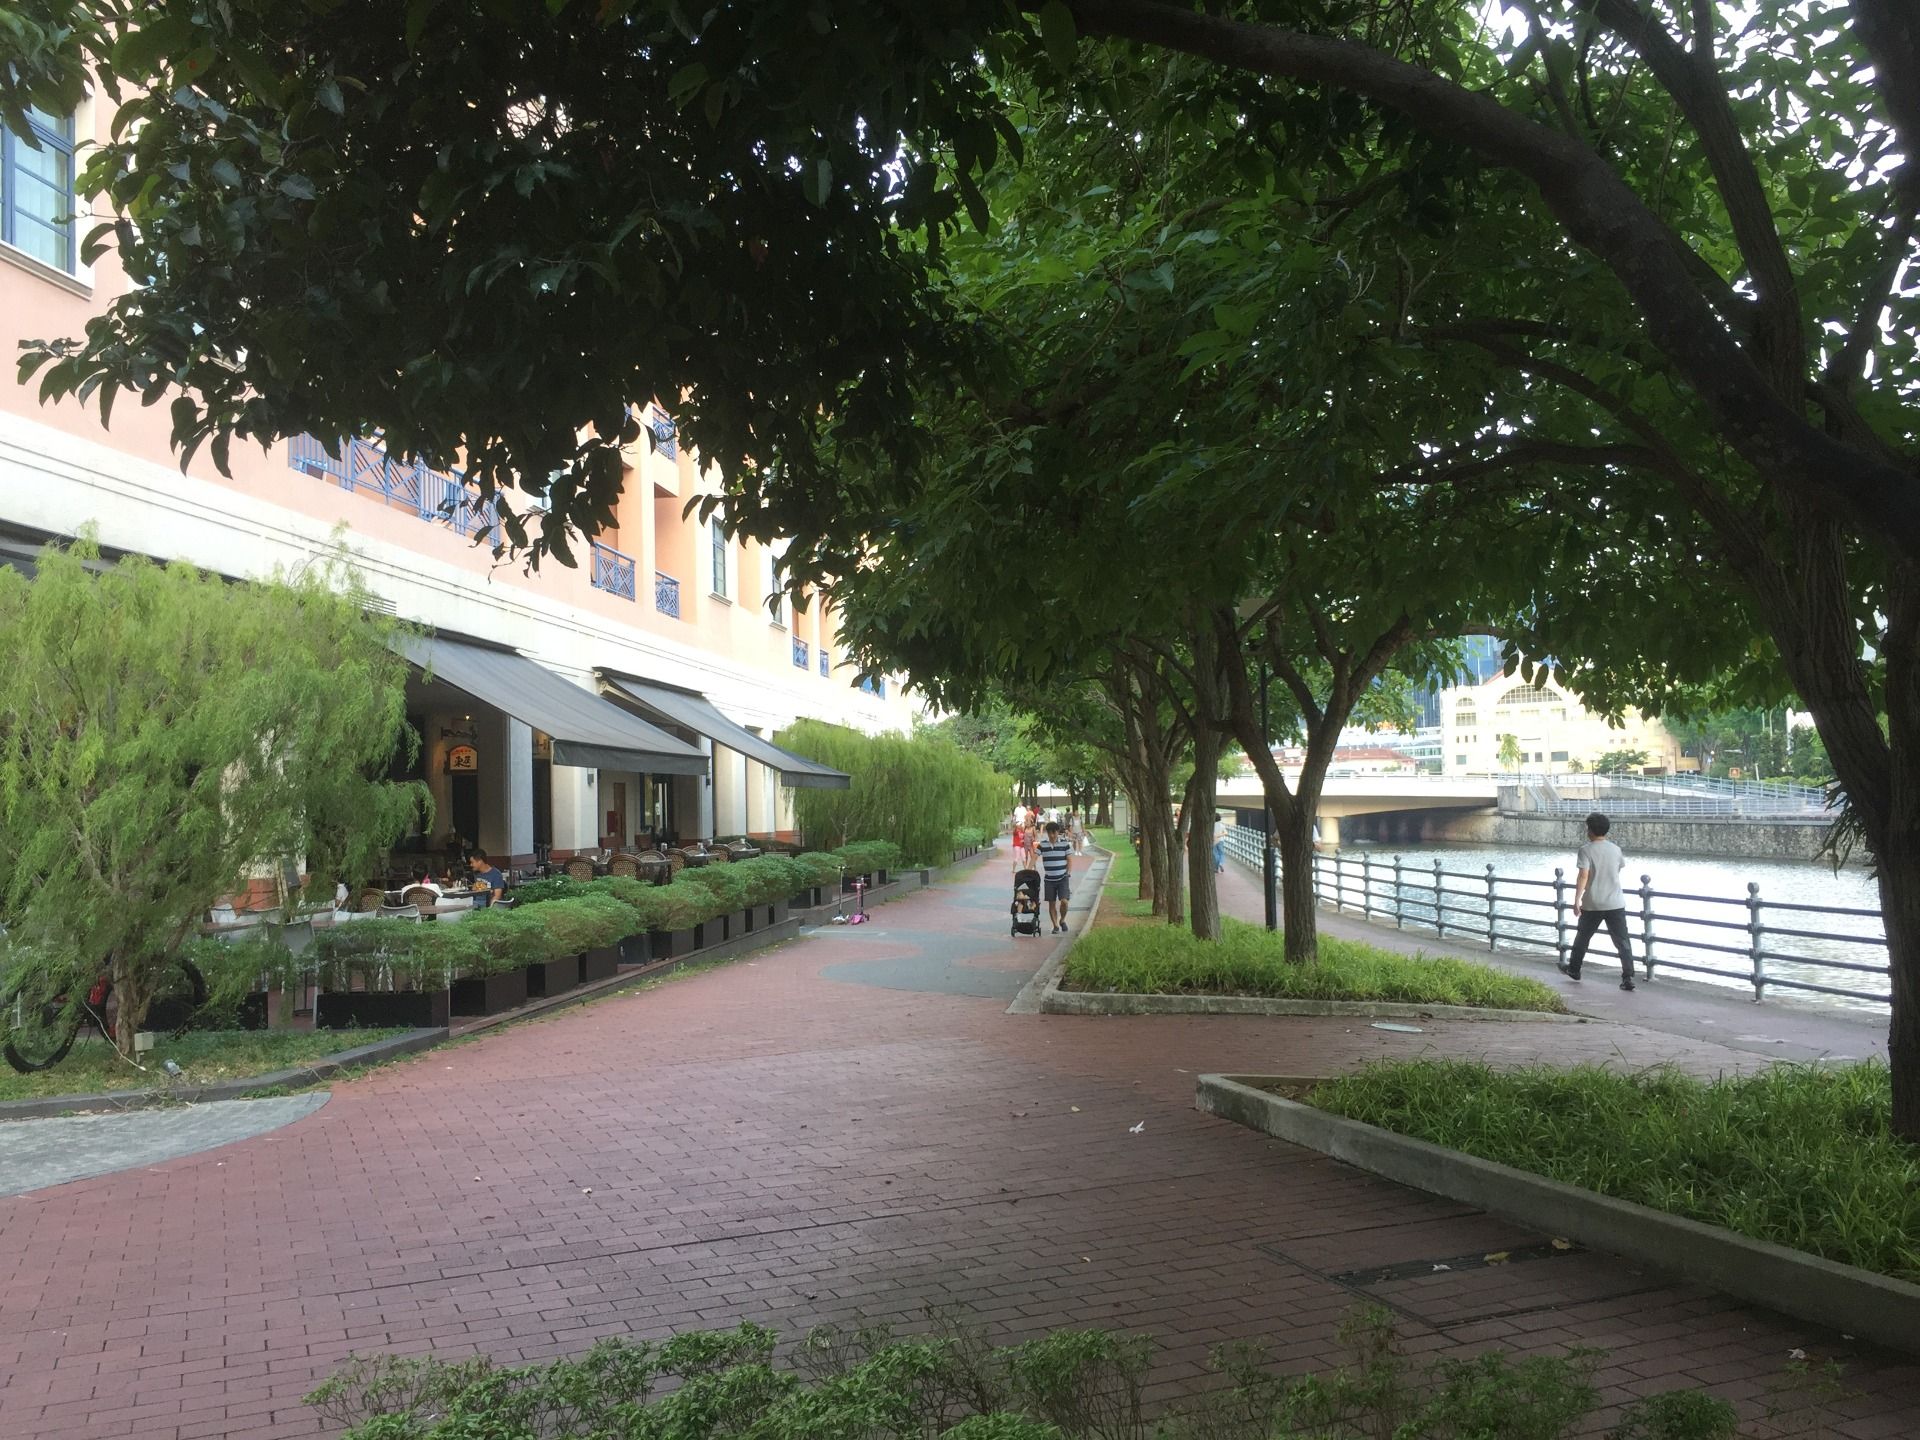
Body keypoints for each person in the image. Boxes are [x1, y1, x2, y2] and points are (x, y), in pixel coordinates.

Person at [1559, 811, 1638, 990]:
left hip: (1593, 902)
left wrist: (1577, 900)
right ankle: (1628, 977)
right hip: (1615, 902)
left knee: (1583, 938)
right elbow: (1617, 870)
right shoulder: (1615, 849)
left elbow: (1583, 876)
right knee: (1622, 941)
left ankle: (1574, 969)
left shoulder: (1586, 850)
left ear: (1590, 830)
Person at [1035, 821, 1074, 934]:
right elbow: (1034, 856)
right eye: (1050, 833)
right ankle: (1055, 925)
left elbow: (1069, 859)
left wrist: (1068, 872)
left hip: (1063, 877)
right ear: (1047, 833)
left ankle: (1062, 920)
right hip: (1049, 879)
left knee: (1064, 901)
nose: (1052, 835)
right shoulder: (1042, 845)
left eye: (1054, 833)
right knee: (1051, 903)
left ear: (1058, 832)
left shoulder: (1065, 844)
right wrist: (1028, 869)